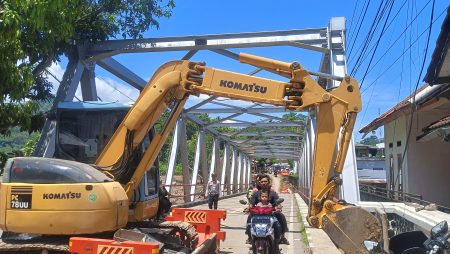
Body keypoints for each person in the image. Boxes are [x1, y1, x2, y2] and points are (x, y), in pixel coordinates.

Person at [246, 175, 290, 245]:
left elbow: (277, 202)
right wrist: (248, 208)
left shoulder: (273, 193)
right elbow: (252, 203)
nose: (264, 183)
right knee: (249, 217)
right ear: (260, 182)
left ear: (269, 182)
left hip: (270, 213)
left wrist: (279, 207)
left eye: (265, 181)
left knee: (280, 216)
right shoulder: (256, 193)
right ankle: (249, 237)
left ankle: (282, 236)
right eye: (262, 181)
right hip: (258, 214)